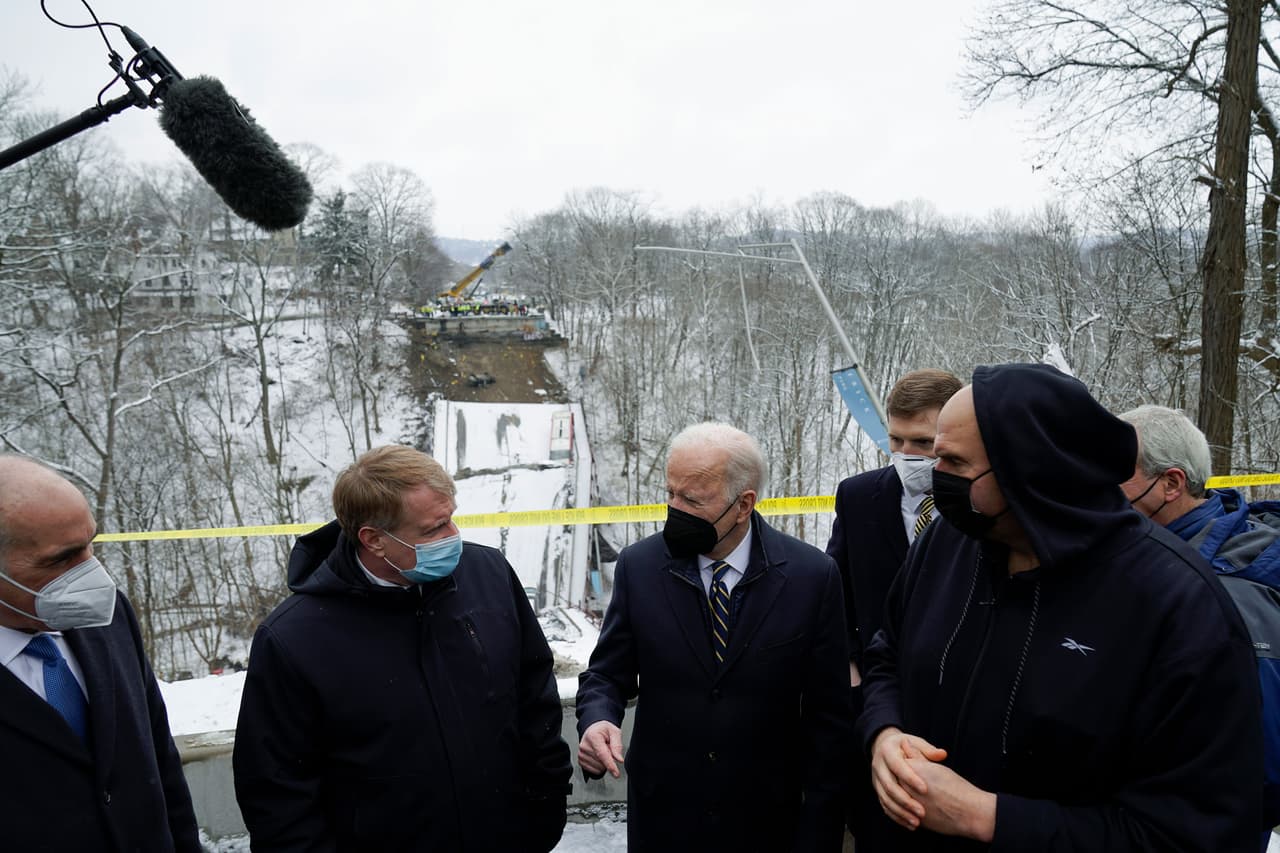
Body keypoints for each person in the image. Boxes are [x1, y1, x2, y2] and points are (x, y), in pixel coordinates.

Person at [858, 364, 1262, 851]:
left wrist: (988, 818)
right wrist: (884, 733)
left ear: (1030, 471)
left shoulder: (1177, 604)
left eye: (955, 464)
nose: (933, 477)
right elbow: (887, 656)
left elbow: (1195, 833)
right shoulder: (947, 542)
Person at [233, 444, 571, 852]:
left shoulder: (489, 575)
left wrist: (546, 802)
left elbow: (534, 694)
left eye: (451, 520)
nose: (454, 538)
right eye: (433, 530)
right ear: (374, 539)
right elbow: (276, 790)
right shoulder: (293, 639)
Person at [576, 422, 850, 851]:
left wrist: (819, 832)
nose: (674, 509)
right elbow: (606, 675)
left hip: (767, 823)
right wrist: (597, 719)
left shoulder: (811, 577)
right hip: (665, 821)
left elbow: (830, 719)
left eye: (692, 499)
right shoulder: (639, 567)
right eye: (669, 493)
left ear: (743, 505)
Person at [0, 454, 200, 852]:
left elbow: (160, 759)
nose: (94, 576)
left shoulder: (109, 615)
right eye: (62, 559)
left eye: (91, 545)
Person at [1119, 403, 1280, 849]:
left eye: (1115, 470)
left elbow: (1259, 768)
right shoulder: (1143, 557)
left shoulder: (1230, 590)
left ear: (1170, 484)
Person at [826, 368, 961, 849]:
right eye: (896, 440)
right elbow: (833, 588)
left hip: (957, 703)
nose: (908, 456)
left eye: (923, 442)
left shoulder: (983, 501)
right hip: (877, 705)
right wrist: (850, 667)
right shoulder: (859, 496)